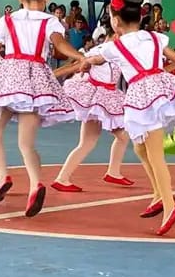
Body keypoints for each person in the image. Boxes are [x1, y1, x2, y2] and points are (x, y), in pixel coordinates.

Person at [81, 0, 175, 235]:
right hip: (160, 90)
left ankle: (170, 205)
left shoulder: (115, 47)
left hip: (143, 97)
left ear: (115, 21)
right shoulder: (155, 38)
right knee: (140, 147)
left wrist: (85, 63)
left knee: (155, 154)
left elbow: (96, 59)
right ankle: (159, 195)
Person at [0, 0, 84, 217]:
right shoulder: (51, 21)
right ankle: (35, 184)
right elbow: (60, 44)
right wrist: (80, 56)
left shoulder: (7, 20)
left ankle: (3, 176)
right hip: (35, 81)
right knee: (26, 143)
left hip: (9, 75)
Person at [51, 26, 134, 193]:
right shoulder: (101, 51)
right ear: (116, 34)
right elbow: (74, 66)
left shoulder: (115, 51)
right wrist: (49, 76)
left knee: (104, 139)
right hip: (98, 98)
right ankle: (63, 178)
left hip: (105, 97)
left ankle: (112, 172)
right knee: (95, 141)